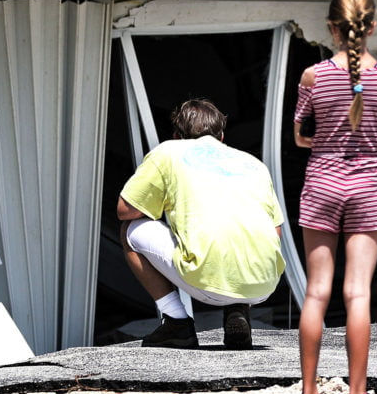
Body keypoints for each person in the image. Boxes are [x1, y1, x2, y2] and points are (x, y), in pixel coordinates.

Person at [290, 0, 377, 394]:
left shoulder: (312, 77)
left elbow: (300, 135)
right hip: (367, 187)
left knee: (317, 291)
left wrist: (327, 142)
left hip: (321, 183)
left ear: (331, 29)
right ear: (371, 27)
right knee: (358, 293)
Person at [117, 98, 286, 350]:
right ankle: (237, 309)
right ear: (221, 136)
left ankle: (176, 322)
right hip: (264, 283)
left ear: (177, 135)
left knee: (130, 231)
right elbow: (276, 230)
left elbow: (125, 211)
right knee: (238, 231)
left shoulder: (168, 152)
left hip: (206, 280)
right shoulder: (253, 163)